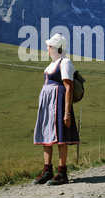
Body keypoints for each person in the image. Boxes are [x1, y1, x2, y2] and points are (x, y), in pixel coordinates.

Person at [33, 33, 80, 185]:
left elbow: (69, 87)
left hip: (58, 102)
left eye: (49, 46)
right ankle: (47, 171)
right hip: (48, 104)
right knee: (47, 134)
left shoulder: (65, 63)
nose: (47, 48)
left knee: (61, 136)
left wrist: (67, 112)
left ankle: (62, 172)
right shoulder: (52, 64)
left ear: (54, 47)